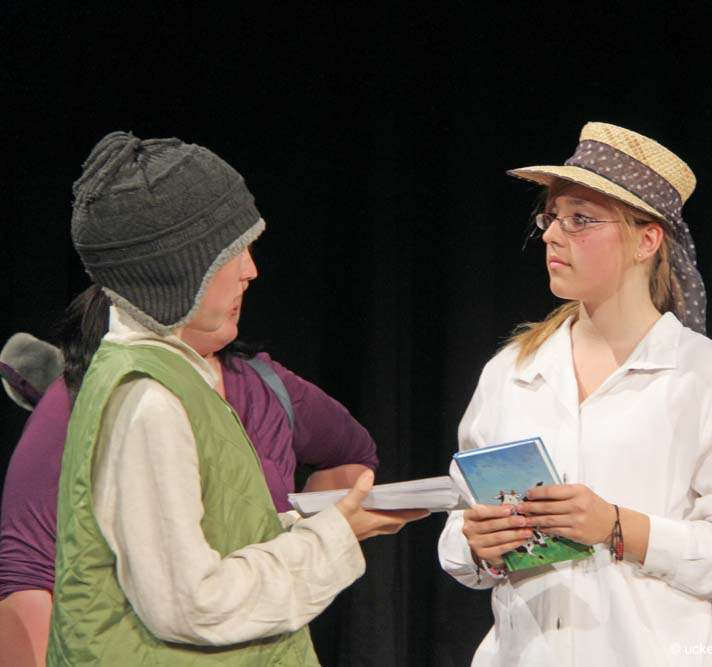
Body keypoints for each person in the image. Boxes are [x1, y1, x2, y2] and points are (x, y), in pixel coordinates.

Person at [42, 131, 426, 666]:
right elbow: (193, 605)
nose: (251, 270)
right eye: (231, 252)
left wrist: (325, 522)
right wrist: (335, 535)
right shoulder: (148, 399)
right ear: (178, 269)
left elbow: (212, 540)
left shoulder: (170, 377)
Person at [437, 122, 712, 665]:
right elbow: (460, 527)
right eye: (551, 217)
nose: (552, 235)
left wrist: (621, 528)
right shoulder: (511, 373)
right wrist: (477, 545)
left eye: (580, 219)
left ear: (646, 240)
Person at [0, 282, 380, 665]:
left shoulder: (261, 386)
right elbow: (29, 571)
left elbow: (351, 454)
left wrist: (306, 542)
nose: (246, 275)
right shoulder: (106, 397)